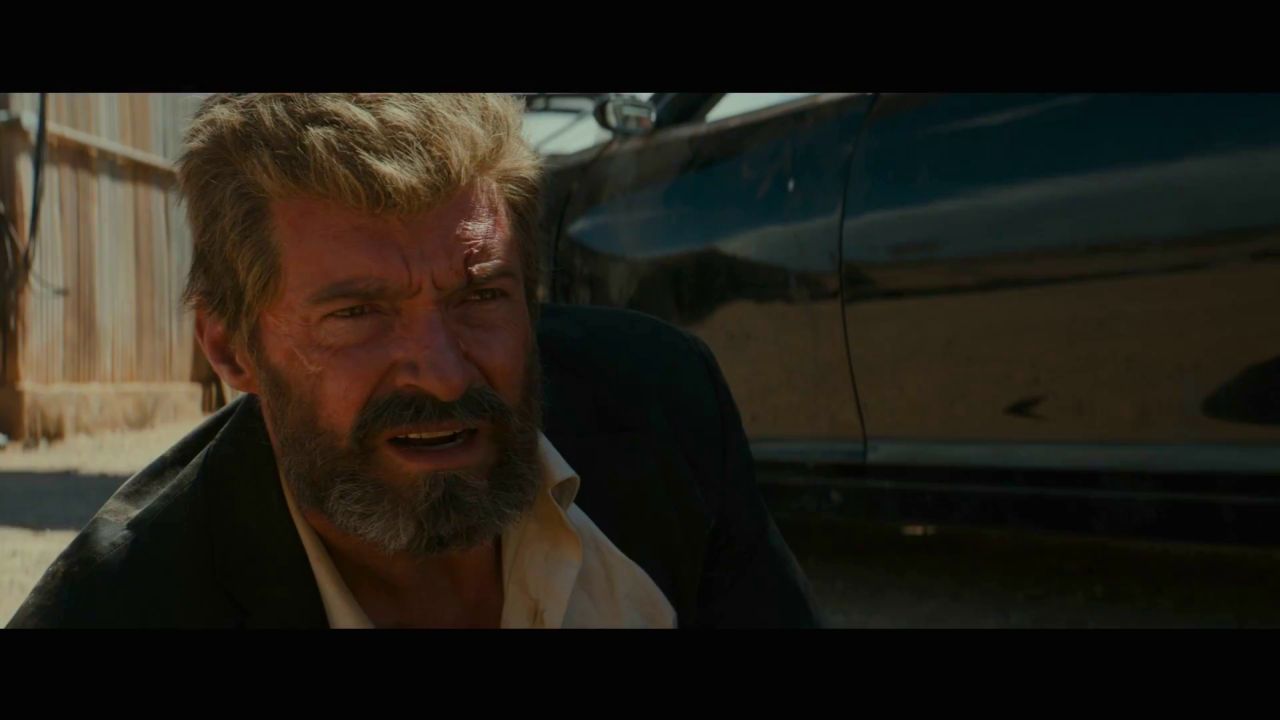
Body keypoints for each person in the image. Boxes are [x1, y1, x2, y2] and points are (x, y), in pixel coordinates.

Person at [8, 94, 818, 629]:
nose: (444, 373)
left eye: (480, 297)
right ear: (230, 348)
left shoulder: (661, 409)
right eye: (357, 314)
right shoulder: (119, 613)